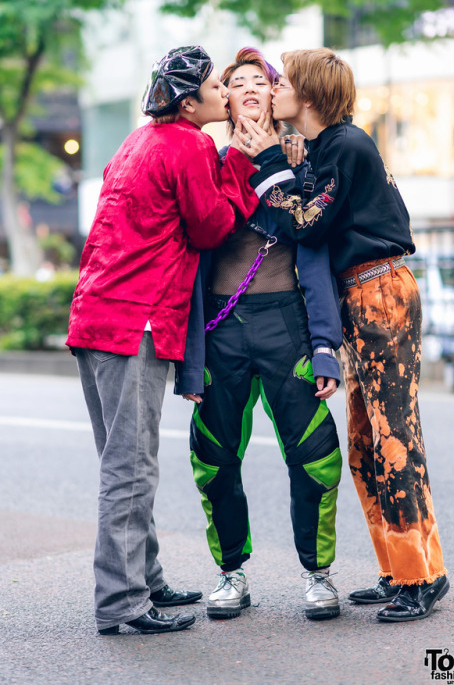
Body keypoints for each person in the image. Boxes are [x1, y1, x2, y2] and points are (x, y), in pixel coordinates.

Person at [237, 47, 449, 623]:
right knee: (365, 445)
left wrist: (266, 162)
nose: (273, 90)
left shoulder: (347, 146)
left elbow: (306, 223)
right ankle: (399, 569)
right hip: (363, 297)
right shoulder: (329, 147)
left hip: (380, 294)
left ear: (307, 97)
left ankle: (421, 576)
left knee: (392, 436)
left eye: (283, 84)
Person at [66, 46, 260, 635]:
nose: (225, 93)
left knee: (122, 459)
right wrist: (241, 165)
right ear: (188, 101)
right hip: (136, 321)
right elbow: (210, 227)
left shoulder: (136, 141)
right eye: (214, 86)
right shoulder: (190, 145)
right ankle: (122, 603)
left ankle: (143, 579)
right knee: (131, 467)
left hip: (97, 315)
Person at [176, 48, 343, 622]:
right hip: (222, 327)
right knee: (213, 457)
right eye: (235, 82)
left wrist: (325, 344)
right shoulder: (207, 162)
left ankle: (318, 574)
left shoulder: (303, 163)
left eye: (259, 80)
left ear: (275, 94)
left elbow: (315, 257)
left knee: (316, 455)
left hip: (285, 325)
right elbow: (189, 260)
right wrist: (189, 355)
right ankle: (230, 574)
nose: (247, 88)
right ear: (223, 100)